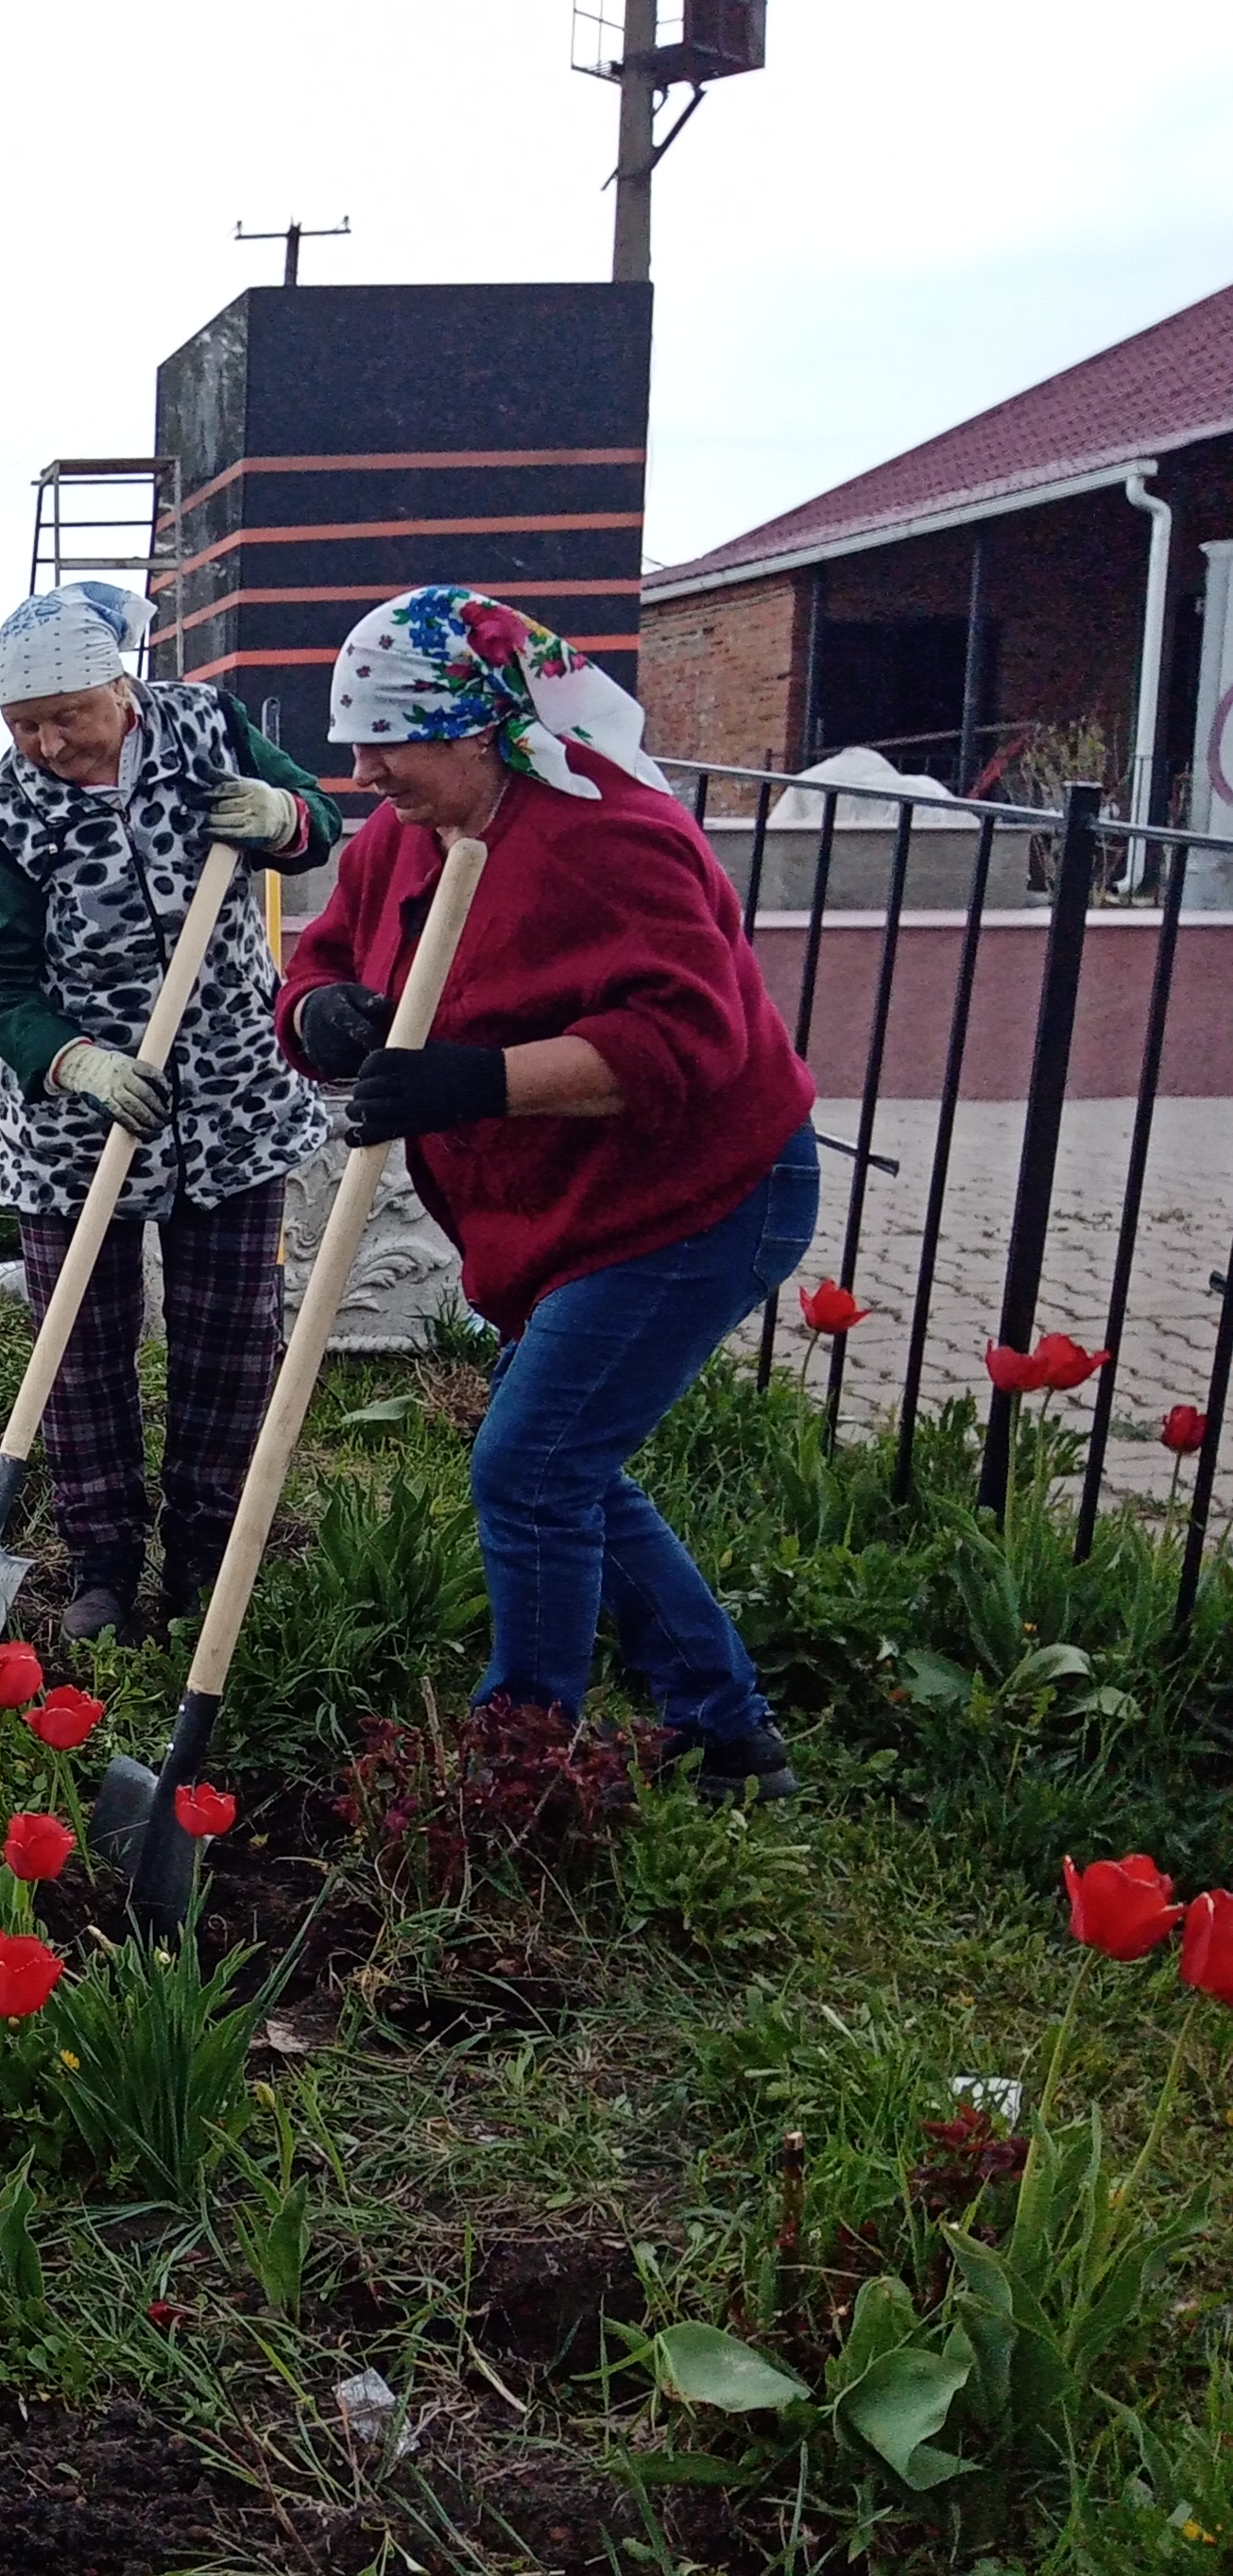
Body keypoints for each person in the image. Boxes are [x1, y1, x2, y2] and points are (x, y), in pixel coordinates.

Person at [280, 587, 817, 1800]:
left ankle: (519, 1759)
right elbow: (319, 957)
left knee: (530, 1469)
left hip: (695, 1201)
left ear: (475, 729)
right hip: (557, 1213)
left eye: (386, 741)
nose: (362, 772)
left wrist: (472, 1083)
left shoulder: (613, 838)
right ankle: (726, 1730)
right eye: (351, 742)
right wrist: (321, 1013)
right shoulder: (403, 839)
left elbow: (689, 1042)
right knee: (559, 1462)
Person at [0, 580, 341, 1642]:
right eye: (22, 724)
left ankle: (205, 1556)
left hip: (232, 1104)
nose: (45, 742)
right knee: (79, 1349)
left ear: (120, 687)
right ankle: (101, 1567)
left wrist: (284, 817)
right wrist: (70, 1063)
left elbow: (320, 822)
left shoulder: (207, 730)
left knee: (228, 1342)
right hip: (81, 1128)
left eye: (65, 714)